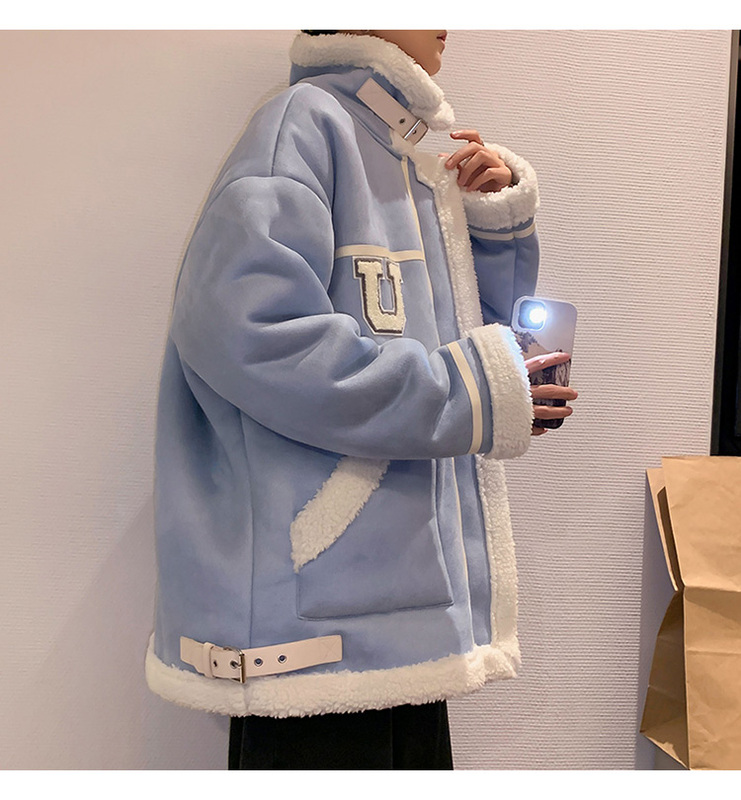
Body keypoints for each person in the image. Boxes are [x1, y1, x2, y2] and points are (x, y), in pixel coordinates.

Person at [145, 29, 577, 769]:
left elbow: (461, 340)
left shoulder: (395, 156)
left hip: (394, 607)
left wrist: (490, 229)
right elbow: (246, 332)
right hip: (315, 627)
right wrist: (466, 390)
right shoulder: (305, 125)